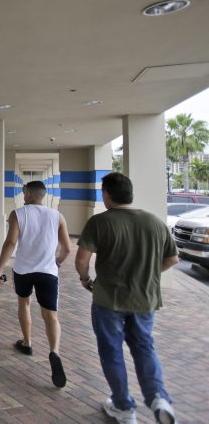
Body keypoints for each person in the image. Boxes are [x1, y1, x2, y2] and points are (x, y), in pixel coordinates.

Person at [76, 172, 179, 424]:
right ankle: (158, 398)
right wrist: (148, 273)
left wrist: (85, 279)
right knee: (144, 347)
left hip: (108, 299)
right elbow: (172, 259)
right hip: (144, 299)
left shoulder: (100, 222)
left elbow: (81, 260)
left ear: (107, 194)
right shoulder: (154, 222)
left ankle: (124, 407)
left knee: (111, 351)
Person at [0, 180, 72, 388]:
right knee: (50, 315)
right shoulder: (57, 216)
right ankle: (54, 351)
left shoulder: (18, 214)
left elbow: (11, 242)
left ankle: (27, 343)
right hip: (48, 272)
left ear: (28, 193)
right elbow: (67, 248)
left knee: (24, 304)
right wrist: (58, 261)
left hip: (23, 270)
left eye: (23, 192)